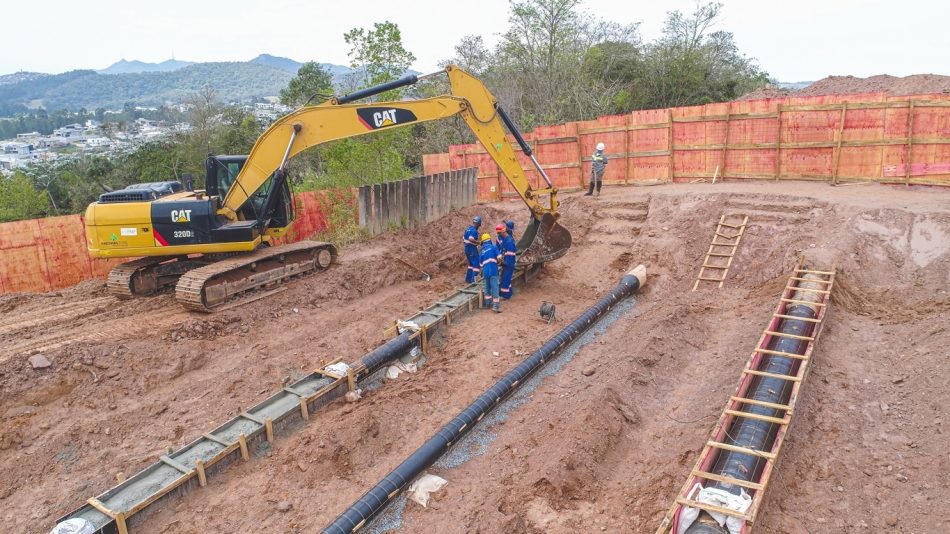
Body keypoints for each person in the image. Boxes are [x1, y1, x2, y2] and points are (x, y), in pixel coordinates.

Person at [479, 233, 502, 312]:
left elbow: (481, 265)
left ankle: (487, 304)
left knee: (487, 288)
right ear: (489, 240)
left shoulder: (482, 252)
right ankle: (496, 306)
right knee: (495, 288)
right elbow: (499, 257)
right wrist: (498, 263)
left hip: (485, 272)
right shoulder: (494, 247)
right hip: (493, 271)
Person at [496, 224, 517, 300]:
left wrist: (503, 262)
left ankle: (506, 296)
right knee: (506, 280)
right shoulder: (506, 239)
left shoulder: (509, 241)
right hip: (506, 264)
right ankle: (508, 293)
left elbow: (510, 255)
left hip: (509, 264)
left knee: (505, 280)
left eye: (499, 233)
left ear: (502, 232)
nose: (498, 235)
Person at [463, 216, 482, 283]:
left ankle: (468, 279)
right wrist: (478, 242)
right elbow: (471, 239)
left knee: (471, 264)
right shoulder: (474, 230)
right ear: (478, 224)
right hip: (472, 249)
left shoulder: (468, 228)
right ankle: (473, 281)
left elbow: (464, 238)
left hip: (467, 249)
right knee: (476, 265)